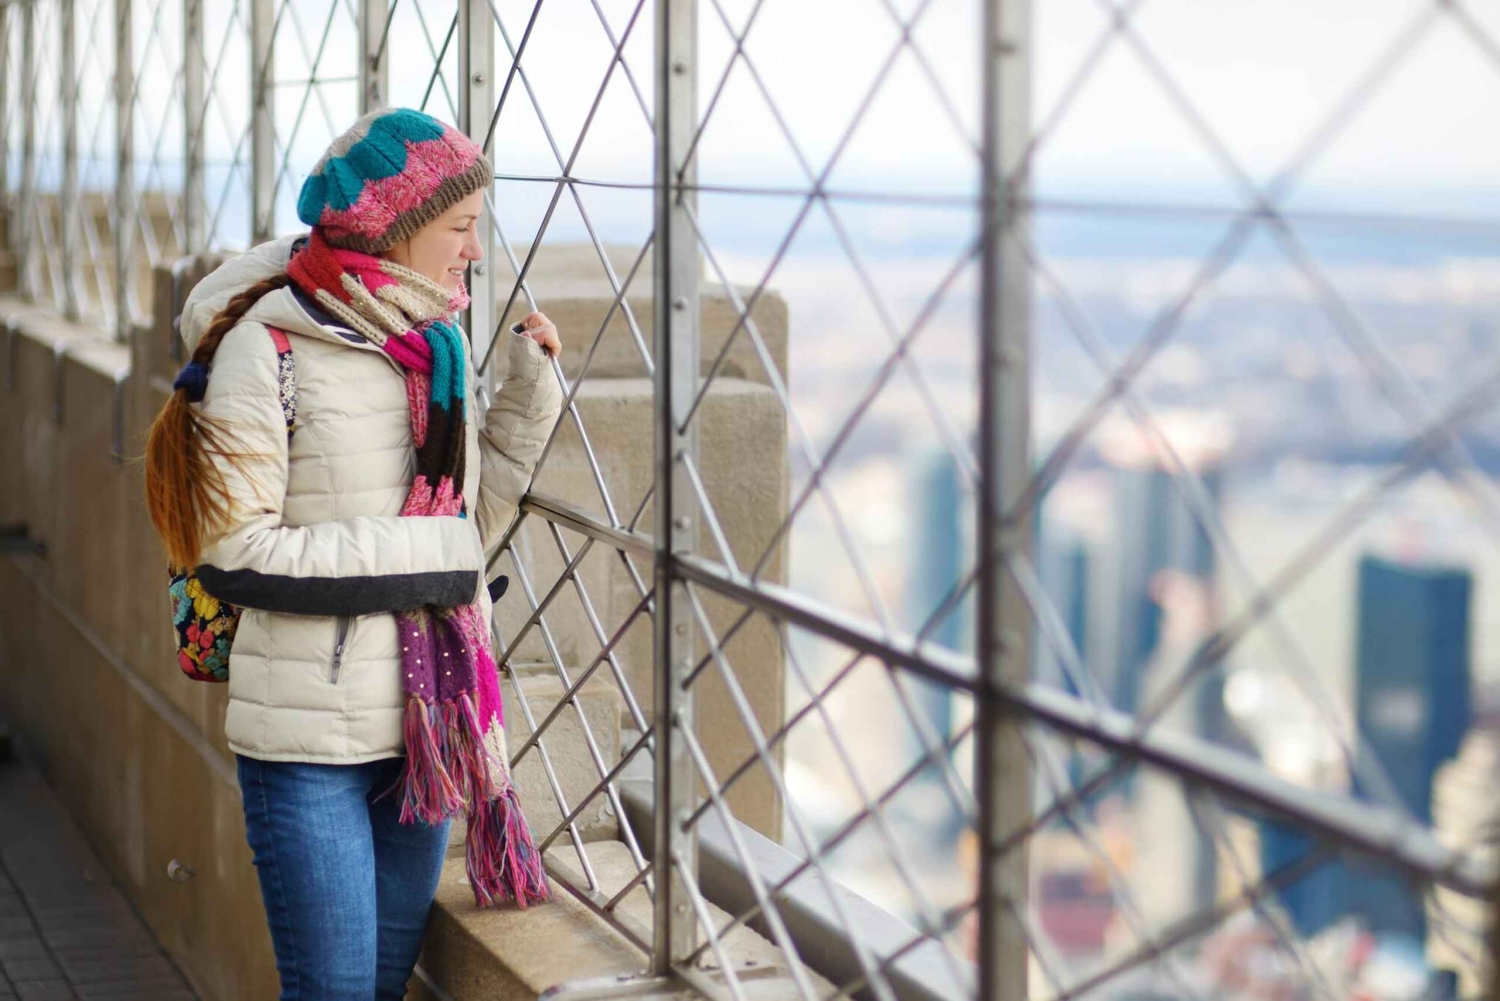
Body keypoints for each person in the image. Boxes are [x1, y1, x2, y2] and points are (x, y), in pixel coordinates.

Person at [143, 107, 564, 999]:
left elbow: (464, 532)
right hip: (306, 742)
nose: (475, 251)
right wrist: (429, 551)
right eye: (460, 227)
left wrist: (528, 399)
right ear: (397, 226)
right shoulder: (266, 348)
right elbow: (236, 551)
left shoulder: (435, 346)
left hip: (420, 731)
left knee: (379, 984)